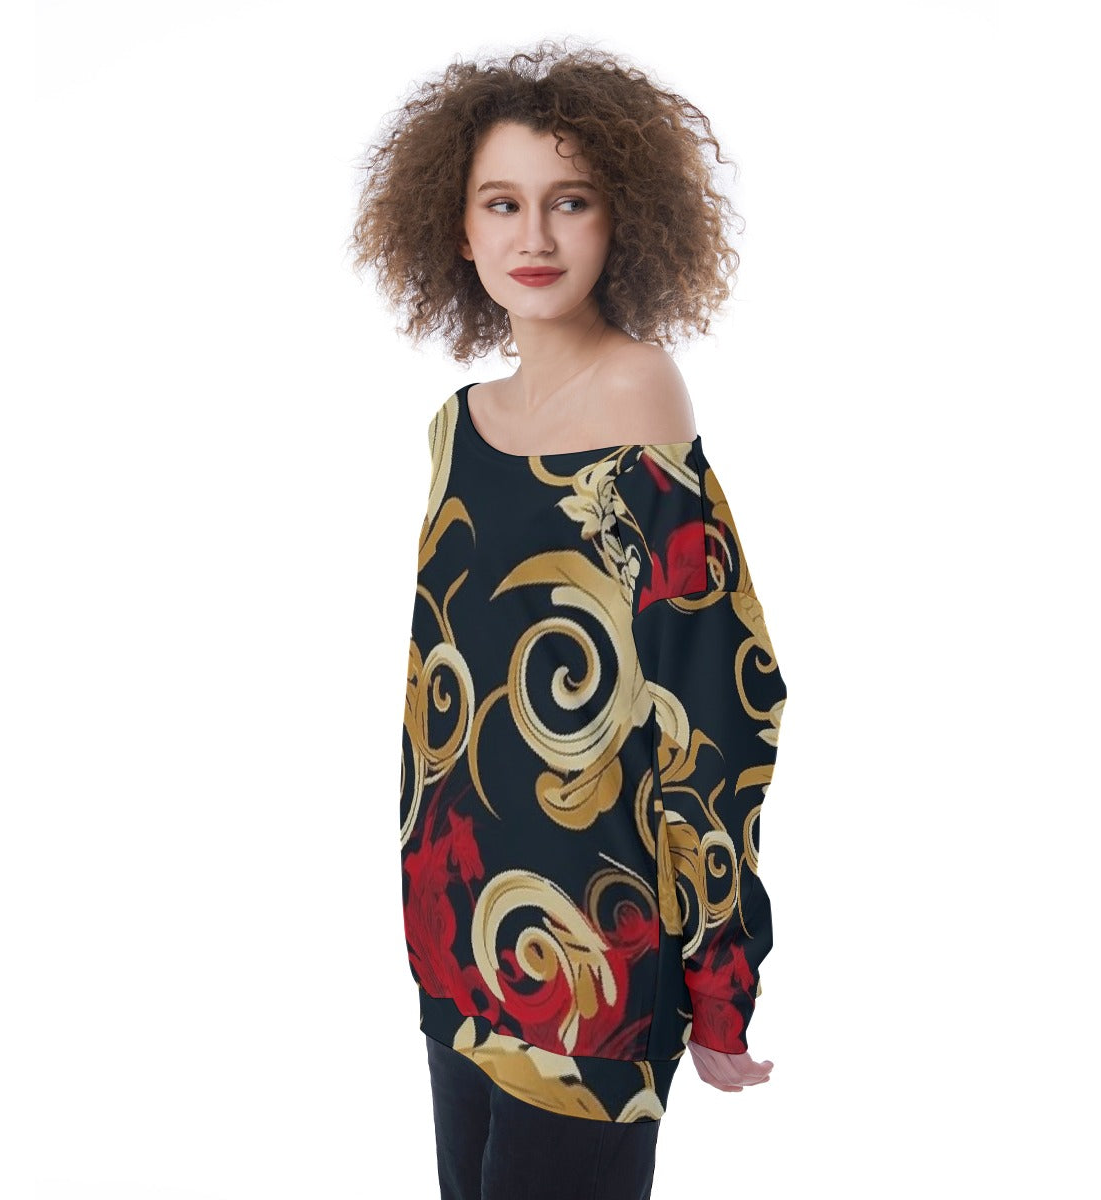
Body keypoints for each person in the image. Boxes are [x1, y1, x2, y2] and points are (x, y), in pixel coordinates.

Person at [350, 39, 788, 1200]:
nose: (534, 236)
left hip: (596, 957)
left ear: (620, 218)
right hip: (457, 934)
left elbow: (716, 694)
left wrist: (720, 974)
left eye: (570, 201)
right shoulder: (457, 426)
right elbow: (438, 696)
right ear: (459, 228)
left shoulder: (640, 393)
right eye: (503, 203)